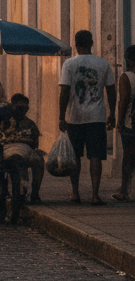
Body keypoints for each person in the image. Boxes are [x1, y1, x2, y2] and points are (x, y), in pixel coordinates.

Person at [58, 29, 116, 205]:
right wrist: (112, 113)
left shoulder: (69, 64)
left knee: (75, 157)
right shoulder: (103, 64)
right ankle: (95, 195)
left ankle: (75, 193)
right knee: (95, 156)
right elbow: (112, 90)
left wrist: (61, 116)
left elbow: (64, 91)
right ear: (92, 43)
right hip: (97, 117)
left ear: (76, 45)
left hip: (75, 117)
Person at [4, 92, 45, 204]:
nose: (23, 109)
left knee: (39, 161)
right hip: (8, 153)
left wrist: (23, 141)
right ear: (13, 106)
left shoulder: (30, 124)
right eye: (19, 106)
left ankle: (35, 193)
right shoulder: (4, 121)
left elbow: (35, 143)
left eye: (25, 107)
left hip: (26, 151)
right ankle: (13, 192)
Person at [113, 44, 135, 202]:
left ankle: (124, 190)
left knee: (128, 158)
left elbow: (124, 101)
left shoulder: (127, 77)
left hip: (130, 123)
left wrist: (119, 122)